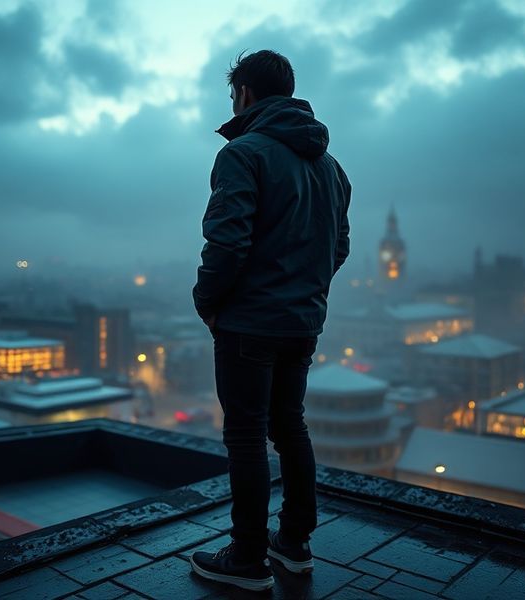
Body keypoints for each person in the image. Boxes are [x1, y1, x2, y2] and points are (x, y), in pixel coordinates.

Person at [189, 50, 352, 592]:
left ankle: (247, 557)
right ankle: (295, 545)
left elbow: (227, 241)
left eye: (233, 94)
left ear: (246, 95)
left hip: (249, 323)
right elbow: (339, 246)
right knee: (290, 427)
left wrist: (208, 301)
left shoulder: (243, 153)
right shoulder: (331, 167)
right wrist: (306, 291)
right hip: (302, 323)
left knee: (246, 436)